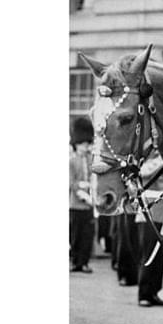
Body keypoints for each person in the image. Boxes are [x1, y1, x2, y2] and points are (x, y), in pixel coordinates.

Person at [134, 152, 163, 307]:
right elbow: (143, 172)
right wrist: (162, 159)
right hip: (149, 209)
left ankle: (154, 291)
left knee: (160, 255)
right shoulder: (148, 157)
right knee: (149, 253)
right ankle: (144, 293)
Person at [69, 117, 96, 273]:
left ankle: (84, 262)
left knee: (87, 236)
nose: (86, 147)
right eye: (83, 144)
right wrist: (83, 191)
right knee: (76, 235)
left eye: (87, 144)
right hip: (76, 204)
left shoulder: (90, 160)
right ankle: (75, 262)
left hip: (88, 205)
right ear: (77, 144)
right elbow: (71, 183)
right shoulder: (71, 161)